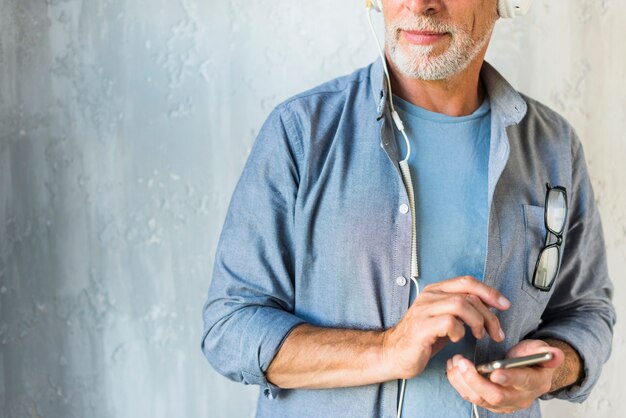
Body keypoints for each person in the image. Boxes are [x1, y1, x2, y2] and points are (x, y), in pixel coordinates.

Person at [201, 1, 616, 417]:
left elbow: (586, 313)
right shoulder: (300, 133)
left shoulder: (554, 145)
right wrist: (386, 349)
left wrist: (549, 369)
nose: (420, 5)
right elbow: (229, 328)